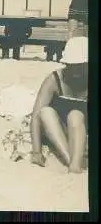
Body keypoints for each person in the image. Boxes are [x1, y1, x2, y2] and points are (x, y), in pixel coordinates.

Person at [30, 36, 88, 173]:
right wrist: (36, 151)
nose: (75, 71)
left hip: (83, 133)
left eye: (80, 66)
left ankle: (75, 162)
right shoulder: (54, 79)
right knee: (45, 112)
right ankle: (71, 162)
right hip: (58, 133)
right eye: (72, 66)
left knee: (75, 115)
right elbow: (36, 116)